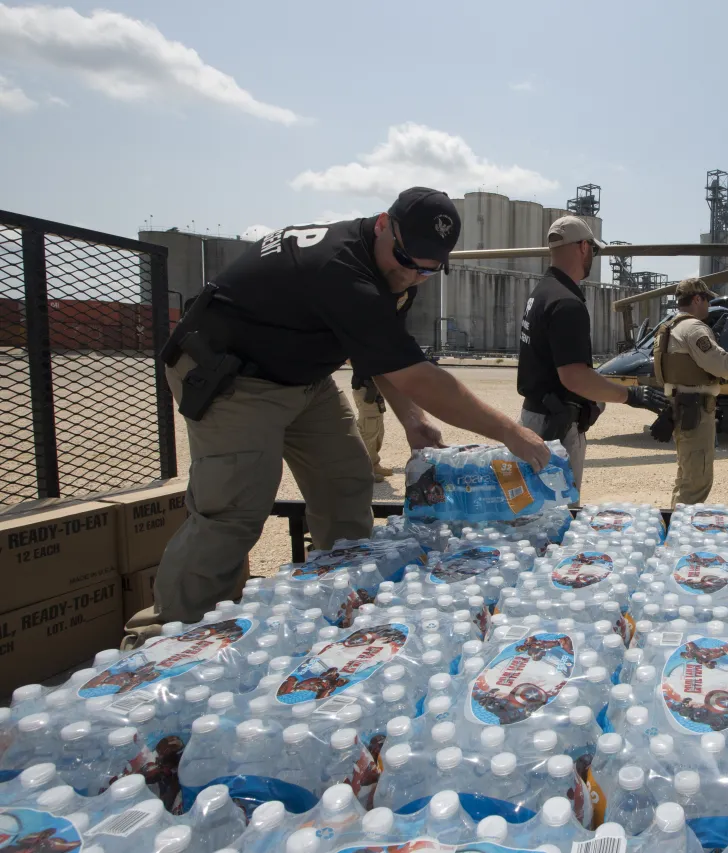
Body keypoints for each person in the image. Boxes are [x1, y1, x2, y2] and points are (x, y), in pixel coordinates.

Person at [127, 187, 550, 647]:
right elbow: (422, 378)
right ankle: (159, 644)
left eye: (427, 269)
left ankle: (337, 601)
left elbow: (380, 351)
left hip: (301, 374)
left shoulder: (387, 270)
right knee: (232, 510)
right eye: (405, 259)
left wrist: (410, 419)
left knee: (345, 482)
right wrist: (509, 430)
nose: (411, 274)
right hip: (232, 374)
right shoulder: (341, 268)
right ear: (385, 224)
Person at [517, 215, 648, 492]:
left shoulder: (540, 293)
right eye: (594, 250)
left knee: (533, 515)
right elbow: (575, 377)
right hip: (555, 429)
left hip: (533, 417)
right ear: (584, 247)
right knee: (557, 514)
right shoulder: (567, 302)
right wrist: (631, 396)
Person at [654, 277, 728, 507]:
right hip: (695, 409)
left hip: (681, 405)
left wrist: (726, 366)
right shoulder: (694, 328)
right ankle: (682, 535)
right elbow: (718, 363)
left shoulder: (668, 327)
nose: (708, 305)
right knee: (697, 479)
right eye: (706, 300)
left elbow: (698, 366)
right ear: (697, 299)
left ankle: (675, 523)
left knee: (686, 475)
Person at [351, 372, 392, 481]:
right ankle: (362, 470)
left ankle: (373, 465)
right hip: (367, 389)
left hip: (375, 389)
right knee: (368, 430)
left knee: (377, 430)